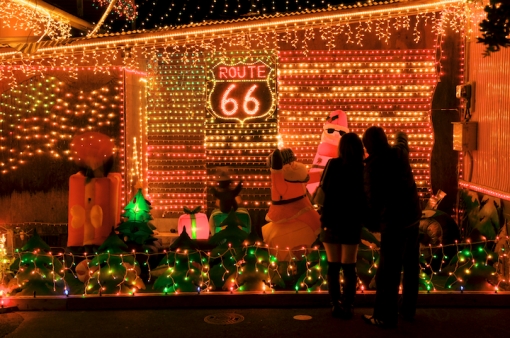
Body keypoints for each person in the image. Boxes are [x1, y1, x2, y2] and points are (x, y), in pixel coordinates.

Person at [361, 126, 422, 328]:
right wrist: (401, 135)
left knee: (388, 271)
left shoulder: (373, 166)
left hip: (393, 223)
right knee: (411, 266)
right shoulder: (399, 154)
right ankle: (408, 310)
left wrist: (372, 224)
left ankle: (384, 316)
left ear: (368, 146)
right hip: (412, 217)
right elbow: (402, 143)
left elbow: (372, 201)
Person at [318, 133, 366, 319]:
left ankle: (335, 304)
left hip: (331, 220)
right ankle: (348, 305)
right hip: (351, 222)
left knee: (333, 265)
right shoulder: (362, 169)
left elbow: (323, 190)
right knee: (349, 266)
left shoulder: (333, 164)